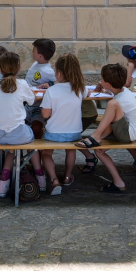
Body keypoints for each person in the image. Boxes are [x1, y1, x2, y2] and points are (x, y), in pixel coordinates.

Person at [0, 52, 42, 198]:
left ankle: (2, 185)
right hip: (19, 134)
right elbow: (32, 101)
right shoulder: (22, 84)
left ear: (0, 69)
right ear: (18, 68)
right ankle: (41, 178)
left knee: (11, 149)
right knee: (33, 142)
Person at [74, 63, 136, 194]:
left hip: (128, 134)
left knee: (112, 104)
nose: (100, 80)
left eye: (101, 79)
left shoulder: (119, 101)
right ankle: (118, 182)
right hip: (124, 130)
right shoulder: (123, 92)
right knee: (99, 151)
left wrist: (100, 136)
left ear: (108, 83)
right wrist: (107, 89)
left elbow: (110, 125)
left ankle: (95, 136)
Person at [39, 53, 87, 195]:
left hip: (54, 133)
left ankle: (54, 180)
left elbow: (45, 115)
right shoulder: (80, 89)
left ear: (58, 74)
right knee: (71, 150)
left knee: (46, 153)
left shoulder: (51, 91)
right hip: (74, 133)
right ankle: (67, 176)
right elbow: (86, 94)